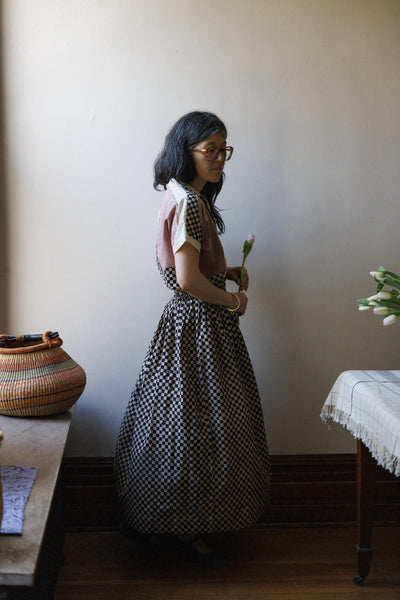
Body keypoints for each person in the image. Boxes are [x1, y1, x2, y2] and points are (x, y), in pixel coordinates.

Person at [114, 111, 271, 565]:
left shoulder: (181, 196)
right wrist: (232, 301)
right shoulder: (187, 201)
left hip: (191, 325)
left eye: (224, 149)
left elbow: (192, 270)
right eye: (210, 150)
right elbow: (186, 282)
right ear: (186, 152)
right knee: (200, 426)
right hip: (199, 325)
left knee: (187, 424)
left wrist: (226, 271)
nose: (220, 158)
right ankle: (186, 531)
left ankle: (178, 524)